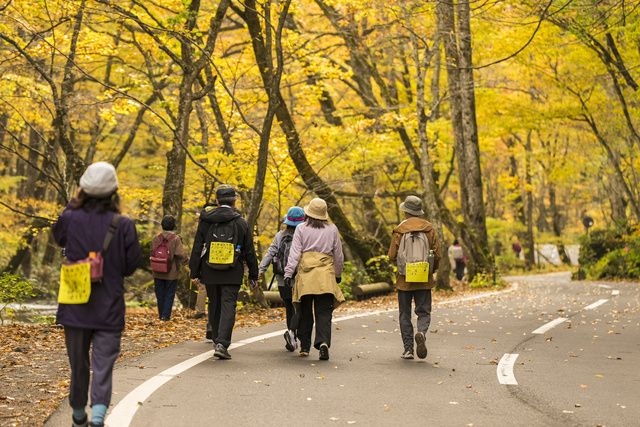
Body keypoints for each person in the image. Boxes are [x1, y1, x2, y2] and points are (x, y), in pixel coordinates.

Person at [52, 161, 141, 427]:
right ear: (114, 191)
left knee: (78, 366)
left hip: (75, 305)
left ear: (83, 190)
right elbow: (131, 265)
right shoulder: (123, 224)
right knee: (102, 365)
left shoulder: (70, 218)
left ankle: (78, 416)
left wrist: (72, 203)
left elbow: (59, 237)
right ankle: (99, 417)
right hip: (109, 306)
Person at [188, 185, 259, 360]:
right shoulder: (240, 222)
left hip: (209, 269)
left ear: (217, 201)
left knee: (214, 302)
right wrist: (253, 274)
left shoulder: (206, 221)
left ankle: (215, 335)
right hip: (232, 270)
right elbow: (249, 251)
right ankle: (222, 343)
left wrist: (194, 271)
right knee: (229, 304)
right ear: (234, 201)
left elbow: (197, 246)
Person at [284, 198, 345, 361]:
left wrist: (288, 273)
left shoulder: (301, 229)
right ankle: (323, 342)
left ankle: (305, 346)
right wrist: (338, 274)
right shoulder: (332, 229)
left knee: (304, 311)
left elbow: (295, 253)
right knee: (324, 311)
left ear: (309, 213)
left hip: (306, 275)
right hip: (325, 275)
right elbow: (338, 255)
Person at [387, 195, 441, 360]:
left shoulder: (400, 230)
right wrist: (431, 270)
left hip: (404, 279)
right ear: (419, 212)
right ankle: (421, 333)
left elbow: (391, 255)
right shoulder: (429, 229)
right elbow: (437, 254)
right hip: (424, 278)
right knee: (423, 311)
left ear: (406, 212)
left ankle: (408, 349)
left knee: (404, 313)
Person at [258, 206, 305, 352]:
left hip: (281, 279)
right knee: (300, 307)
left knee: (289, 307)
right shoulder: (304, 235)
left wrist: (261, 269)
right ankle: (293, 333)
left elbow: (270, 253)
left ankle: (292, 336)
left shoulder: (280, 235)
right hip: (300, 278)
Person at [150, 215, 188, 321]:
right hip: (171, 271)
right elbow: (180, 254)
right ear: (174, 226)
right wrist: (187, 262)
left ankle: (161, 314)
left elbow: (151, 252)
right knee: (169, 294)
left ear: (162, 225)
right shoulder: (175, 239)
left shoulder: (156, 238)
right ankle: (165, 316)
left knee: (159, 293)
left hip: (157, 270)